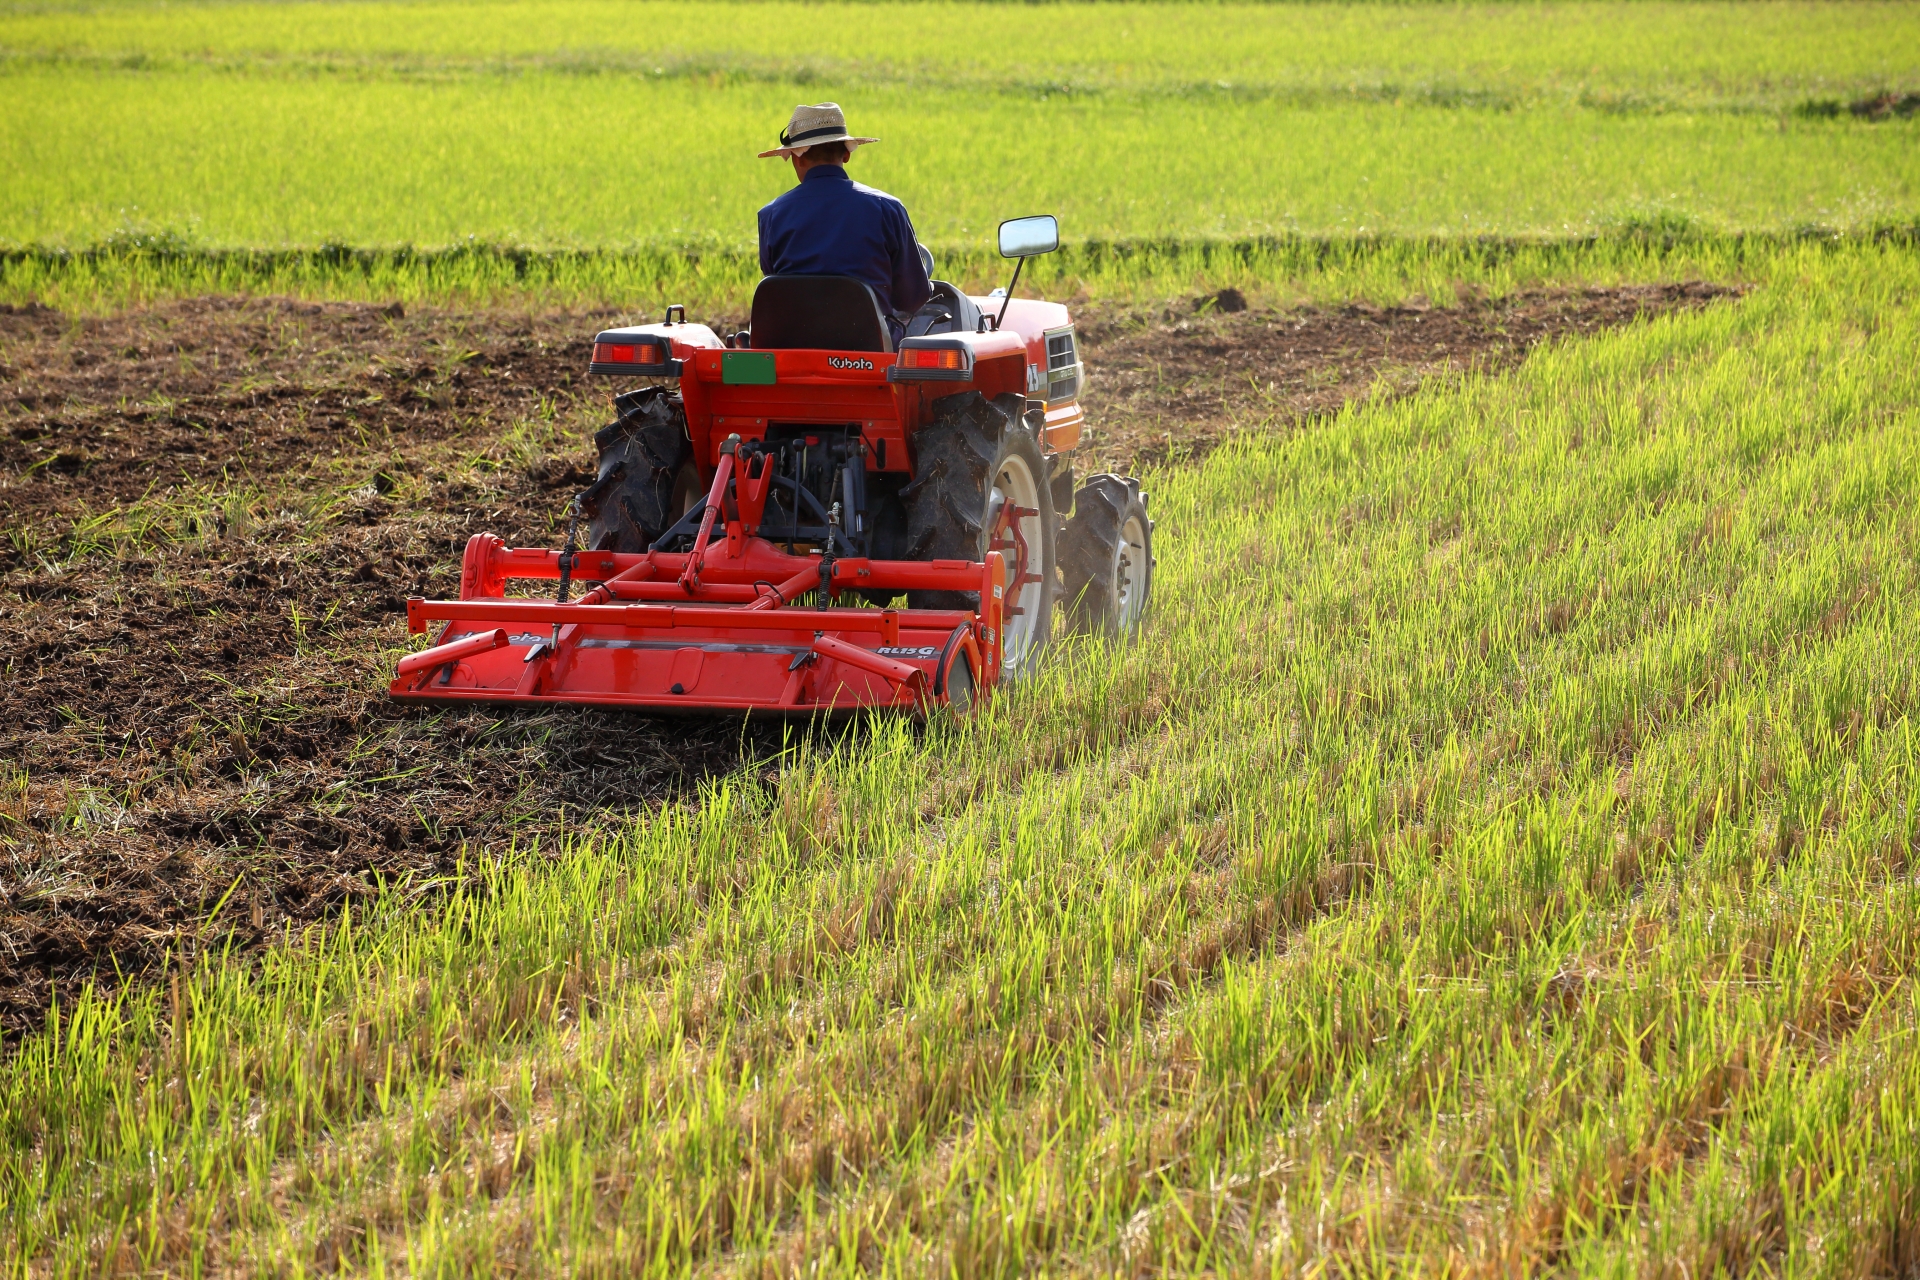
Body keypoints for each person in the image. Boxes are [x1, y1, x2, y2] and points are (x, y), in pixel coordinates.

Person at [757, 103, 932, 346]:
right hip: (871, 351)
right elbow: (912, 298)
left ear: (797, 159)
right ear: (847, 154)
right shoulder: (887, 208)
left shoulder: (771, 214)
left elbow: (775, 285)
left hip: (793, 348)